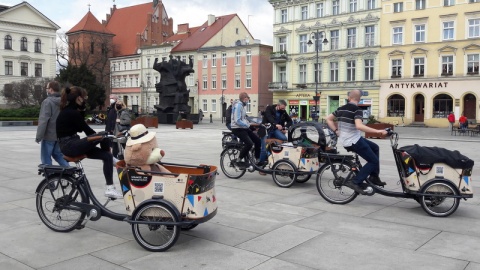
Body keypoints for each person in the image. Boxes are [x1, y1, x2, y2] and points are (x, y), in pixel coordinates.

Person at [56, 86, 123, 199]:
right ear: (78, 99)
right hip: (69, 145)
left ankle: (110, 187)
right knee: (104, 134)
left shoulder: (70, 111)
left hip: (73, 142)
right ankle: (112, 162)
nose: (86, 99)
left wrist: (100, 137)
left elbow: (80, 128)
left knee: (106, 155)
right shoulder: (71, 113)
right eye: (84, 97)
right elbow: (88, 131)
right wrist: (102, 136)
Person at [326, 89, 387, 195]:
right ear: (359, 99)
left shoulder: (341, 109)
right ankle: (355, 181)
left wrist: (336, 131)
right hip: (353, 141)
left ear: (349, 98)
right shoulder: (357, 110)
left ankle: (374, 177)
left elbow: (328, 119)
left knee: (375, 147)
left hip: (347, 140)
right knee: (373, 161)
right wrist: (378, 131)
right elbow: (359, 126)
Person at [35, 81, 69, 166]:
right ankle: (69, 172)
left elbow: (43, 120)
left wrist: (39, 136)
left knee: (46, 158)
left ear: (51, 89)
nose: (46, 90)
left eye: (47, 88)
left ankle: (50, 178)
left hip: (49, 135)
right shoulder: (64, 102)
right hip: (60, 135)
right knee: (58, 154)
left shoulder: (47, 102)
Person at [231, 92, 261, 169]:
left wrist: (250, 123)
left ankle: (257, 159)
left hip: (243, 127)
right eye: (247, 99)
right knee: (249, 143)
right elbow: (237, 120)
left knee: (257, 140)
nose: (248, 100)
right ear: (244, 99)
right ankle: (239, 160)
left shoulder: (242, 106)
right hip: (237, 128)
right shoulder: (238, 106)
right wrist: (247, 125)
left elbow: (243, 118)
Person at [105, 94, 119, 159]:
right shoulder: (111, 107)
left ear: (116, 99)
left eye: (112, 98)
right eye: (110, 98)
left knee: (114, 142)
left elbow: (114, 119)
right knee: (109, 142)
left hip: (112, 128)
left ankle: (115, 155)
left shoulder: (116, 107)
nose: (111, 99)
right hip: (108, 127)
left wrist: (112, 128)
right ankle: (111, 155)